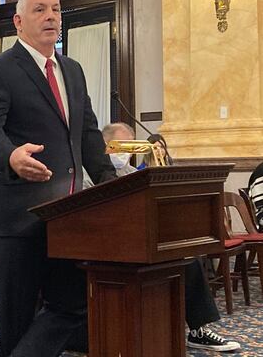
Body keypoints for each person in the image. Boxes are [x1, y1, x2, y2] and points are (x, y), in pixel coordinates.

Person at [0, 0, 117, 356]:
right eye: (40, 10)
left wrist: (113, 186)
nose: (51, 16)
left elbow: (87, 134)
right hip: (17, 218)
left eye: (56, 9)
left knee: (71, 306)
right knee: (16, 321)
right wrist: (11, 156)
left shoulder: (72, 70)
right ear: (19, 22)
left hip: (66, 216)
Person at [90, 124, 241, 352]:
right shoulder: (89, 174)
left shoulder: (134, 174)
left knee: (188, 260)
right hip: (106, 243)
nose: (126, 154)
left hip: (140, 240)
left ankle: (198, 331)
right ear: (105, 146)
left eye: (133, 148)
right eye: (122, 148)